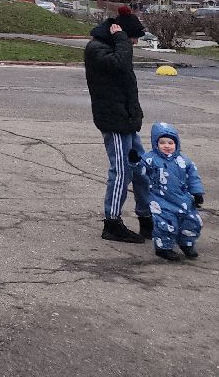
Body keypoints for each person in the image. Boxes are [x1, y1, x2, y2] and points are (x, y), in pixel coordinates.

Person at [83, 14, 151, 243]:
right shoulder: (96, 49)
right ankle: (112, 223)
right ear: (119, 33)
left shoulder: (116, 48)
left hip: (127, 120)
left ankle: (147, 218)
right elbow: (119, 64)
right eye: (133, 38)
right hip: (113, 122)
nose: (135, 43)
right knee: (122, 171)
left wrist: (135, 116)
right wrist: (122, 38)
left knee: (142, 170)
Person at [131, 122, 205, 262]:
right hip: (161, 199)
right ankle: (163, 247)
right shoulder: (151, 159)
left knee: (192, 222)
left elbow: (193, 178)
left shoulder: (184, 161)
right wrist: (134, 162)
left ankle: (187, 243)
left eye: (170, 142)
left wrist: (197, 193)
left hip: (183, 199)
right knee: (166, 224)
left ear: (176, 144)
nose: (167, 146)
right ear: (155, 144)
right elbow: (141, 170)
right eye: (162, 142)